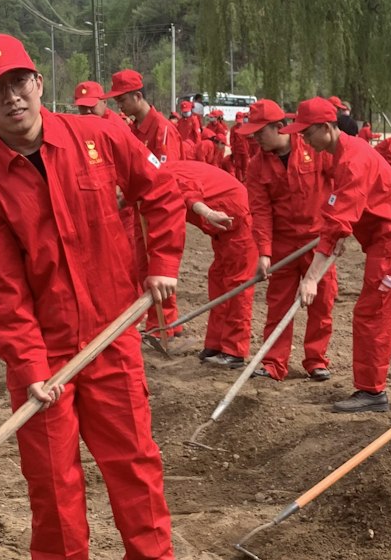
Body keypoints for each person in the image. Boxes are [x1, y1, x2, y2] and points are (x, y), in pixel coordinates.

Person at [0, 33, 191, 560]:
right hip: (45, 347)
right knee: (50, 465)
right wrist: (30, 366)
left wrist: (162, 264)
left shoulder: (99, 137)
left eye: (19, 82)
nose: (12, 97)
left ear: (38, 82)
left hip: (113, 329)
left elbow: (161, 192)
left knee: (132, 451)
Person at [290, 97, 391, 412]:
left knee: (373, 313)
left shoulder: (352, 159)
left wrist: (312, 277)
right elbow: (344, 211)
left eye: (307, 133)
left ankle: (371, 391)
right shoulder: (344, 154)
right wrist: (341, 232)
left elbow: (337, 222)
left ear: (326, 128)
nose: (304, 140)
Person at [242, 99, 337, 381]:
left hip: (318, 241)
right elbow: (260, 211)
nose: (256, 138)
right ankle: (274, 363)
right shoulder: (256, 166)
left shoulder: (314, 149)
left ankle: (316, 360)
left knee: (322, 302)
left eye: (261, 132)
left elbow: (340, 183)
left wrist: (336, 227)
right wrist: (264, 252)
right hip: (283, 244)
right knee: (279, 304)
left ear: (280, 127)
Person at [108, 68, 184, 338]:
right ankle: (156, 322)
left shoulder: (163, 130)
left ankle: (166, 324)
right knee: (144, 267)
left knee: (160, 265)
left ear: (137, 97)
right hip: (140, 208)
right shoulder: (134, 130)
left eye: (122, 100)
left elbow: (168, 177)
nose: (119, 106)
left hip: (159, 210)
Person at [162, 159, 255, 367]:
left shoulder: (166, 176)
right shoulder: (161, 172)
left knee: (237, 287)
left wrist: (208, 213)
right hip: (223, 231)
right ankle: (215, 343)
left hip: (238, 223)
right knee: (218, 282)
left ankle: (234, 350)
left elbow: (190, 194)